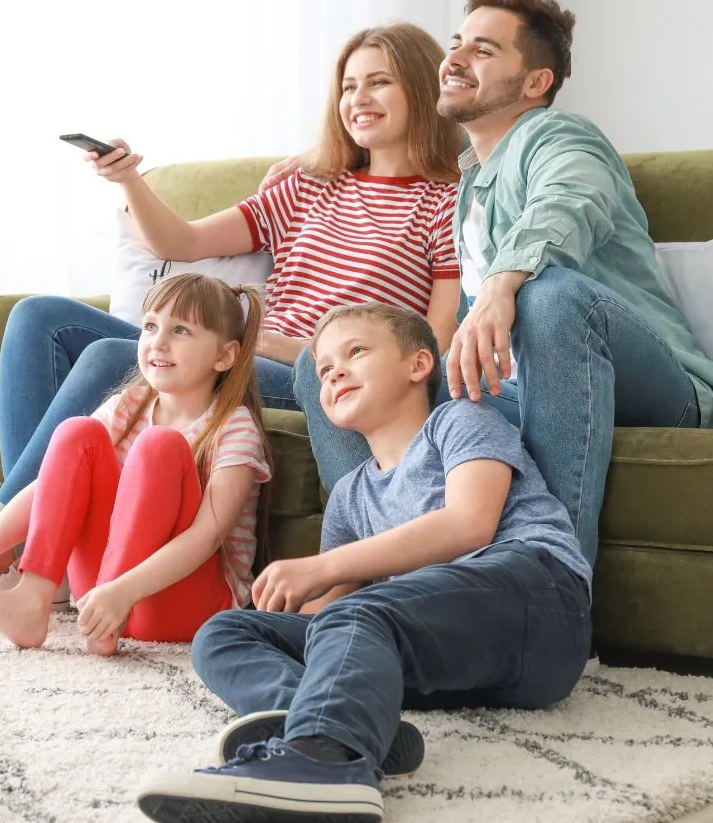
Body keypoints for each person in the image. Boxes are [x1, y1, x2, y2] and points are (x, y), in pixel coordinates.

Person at [0, 21, 465, 628]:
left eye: (379, 81)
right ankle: (11, 556)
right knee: (38, 319)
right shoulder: (308, 184)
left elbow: (430, 342)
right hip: (241, 343)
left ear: (420, 86)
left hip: (305, 369)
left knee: (113, 357)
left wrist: (282, 344)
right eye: (349, 85)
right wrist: (130, 178)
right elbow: (183, 242)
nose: (359, 97)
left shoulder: (446, 201)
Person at [291, 0, 713, 569]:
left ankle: (551, 587)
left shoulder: (562, 138)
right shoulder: (469, 186)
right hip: (515, 393)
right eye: (457, 43)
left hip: (644, 384)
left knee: (550, 298)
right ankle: (377, 577)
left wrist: (501, 284)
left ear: (536, 82)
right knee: (326, 370)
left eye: (484, 50)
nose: (456, 59)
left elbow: (570, 202)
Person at [134, 303, 593, 822]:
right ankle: (338, 725)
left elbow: (471, 523)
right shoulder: (352, 495)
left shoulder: (459, 422)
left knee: (360, 613)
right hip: (450, 662)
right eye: (325, 369)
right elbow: (325, 624)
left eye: (355, 353)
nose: (335, 372)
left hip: (539, 603)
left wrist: (322, 568)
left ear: (418, 365)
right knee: (226, 632)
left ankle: (322, 763)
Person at [0, 274, 271, 650]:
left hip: (176, 604)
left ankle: (109, 609)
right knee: (75, 433)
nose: (157, 342)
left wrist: (122, 591)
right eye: (151, 326)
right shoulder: (128, 405)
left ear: (225, 355)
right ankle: (31, 600)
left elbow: (206, 538)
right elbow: (47, 487)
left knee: (159, 447)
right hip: (99, 597)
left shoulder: (234, 427)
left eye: (181, 331)